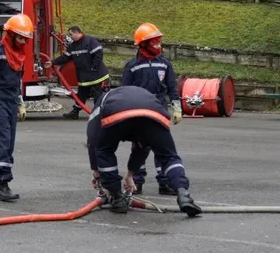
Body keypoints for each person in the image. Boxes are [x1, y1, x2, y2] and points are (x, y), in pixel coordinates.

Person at [86, 85, 201, 217]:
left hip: (117, 112)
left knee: (105, 150)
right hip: (153, 113)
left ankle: (117, 198)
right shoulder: (141, 93)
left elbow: (94, 141)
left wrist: (96, 172)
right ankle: (183, 194)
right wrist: (130, 174)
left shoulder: (102, 102)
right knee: (169, 156)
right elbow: (143, 146)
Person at [121, 22, 183, 196]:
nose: (158, 45)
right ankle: (137, 181)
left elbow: (172, 87)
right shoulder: (131, 66)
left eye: (158, 41)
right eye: (154, 42)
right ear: (143, 44)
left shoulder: (164, 64)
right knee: (139, 147)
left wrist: (176, 107)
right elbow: (125, 91)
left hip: (159, 111)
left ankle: (164, 182)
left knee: (161, 147)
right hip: (138, 113)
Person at [0, 13, 33, 202]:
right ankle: (2, 184)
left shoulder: (19, 57)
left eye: (25, 39)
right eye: (20, 38)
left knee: (8, 144)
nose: (23, 42)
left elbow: (17, 82)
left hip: (10, 101)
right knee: (0, 143)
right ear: (10, 35)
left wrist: (20, 103)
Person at [44, 26, 110, 119]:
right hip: (84, 78)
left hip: (97, 77)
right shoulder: (73, 46)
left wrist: (93, 67)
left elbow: (98, 54)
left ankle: (98, 114)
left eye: (71, 34)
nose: (70, 37)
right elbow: (65, 58)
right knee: (81, 96)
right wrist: (52, 62)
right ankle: (75, 112)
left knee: (98, 96)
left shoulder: (90, 41)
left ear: (77, 33)